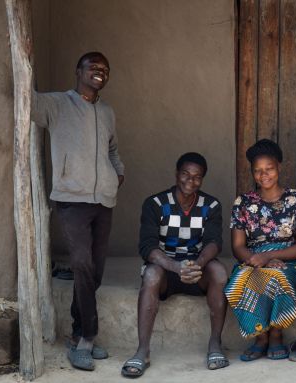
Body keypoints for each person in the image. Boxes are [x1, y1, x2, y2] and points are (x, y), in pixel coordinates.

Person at [31, 52, 125, 371]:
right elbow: (24, 102)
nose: (100, 72)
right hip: (71, 200)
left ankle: (75, 333)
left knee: (94, 271)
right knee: (82, 264)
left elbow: (112, 149)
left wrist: (118, 173)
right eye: (93, 67)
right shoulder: (57, 104)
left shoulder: (108, 111)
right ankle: (86, 338)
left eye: (105, 69)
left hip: (104, 201)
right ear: (78, 71)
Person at [121, 152, 228, 378]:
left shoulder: (211, 205)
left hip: (197, 271)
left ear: (203, 179)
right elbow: (147, 247)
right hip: (166, 272)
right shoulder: (156, 204)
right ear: (176, 174)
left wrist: (195, 265)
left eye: (197, 177)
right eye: (185, 174)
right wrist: (175, 267)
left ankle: (215, 343)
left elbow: (214, 243)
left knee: (219, 272)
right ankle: (143, 350)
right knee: (150, 275)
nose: (190, 181)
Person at [224, 139, 296, 361]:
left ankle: (275, 336)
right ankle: (260, 336)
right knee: (240, 280)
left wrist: (270, 256)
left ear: (279, 167)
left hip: (288, 262)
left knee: (276, 277)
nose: (264, 175)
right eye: (258, 171)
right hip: (252, 260)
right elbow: (237, 247)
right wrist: (259, 259)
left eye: (269, 169)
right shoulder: (242, 203)